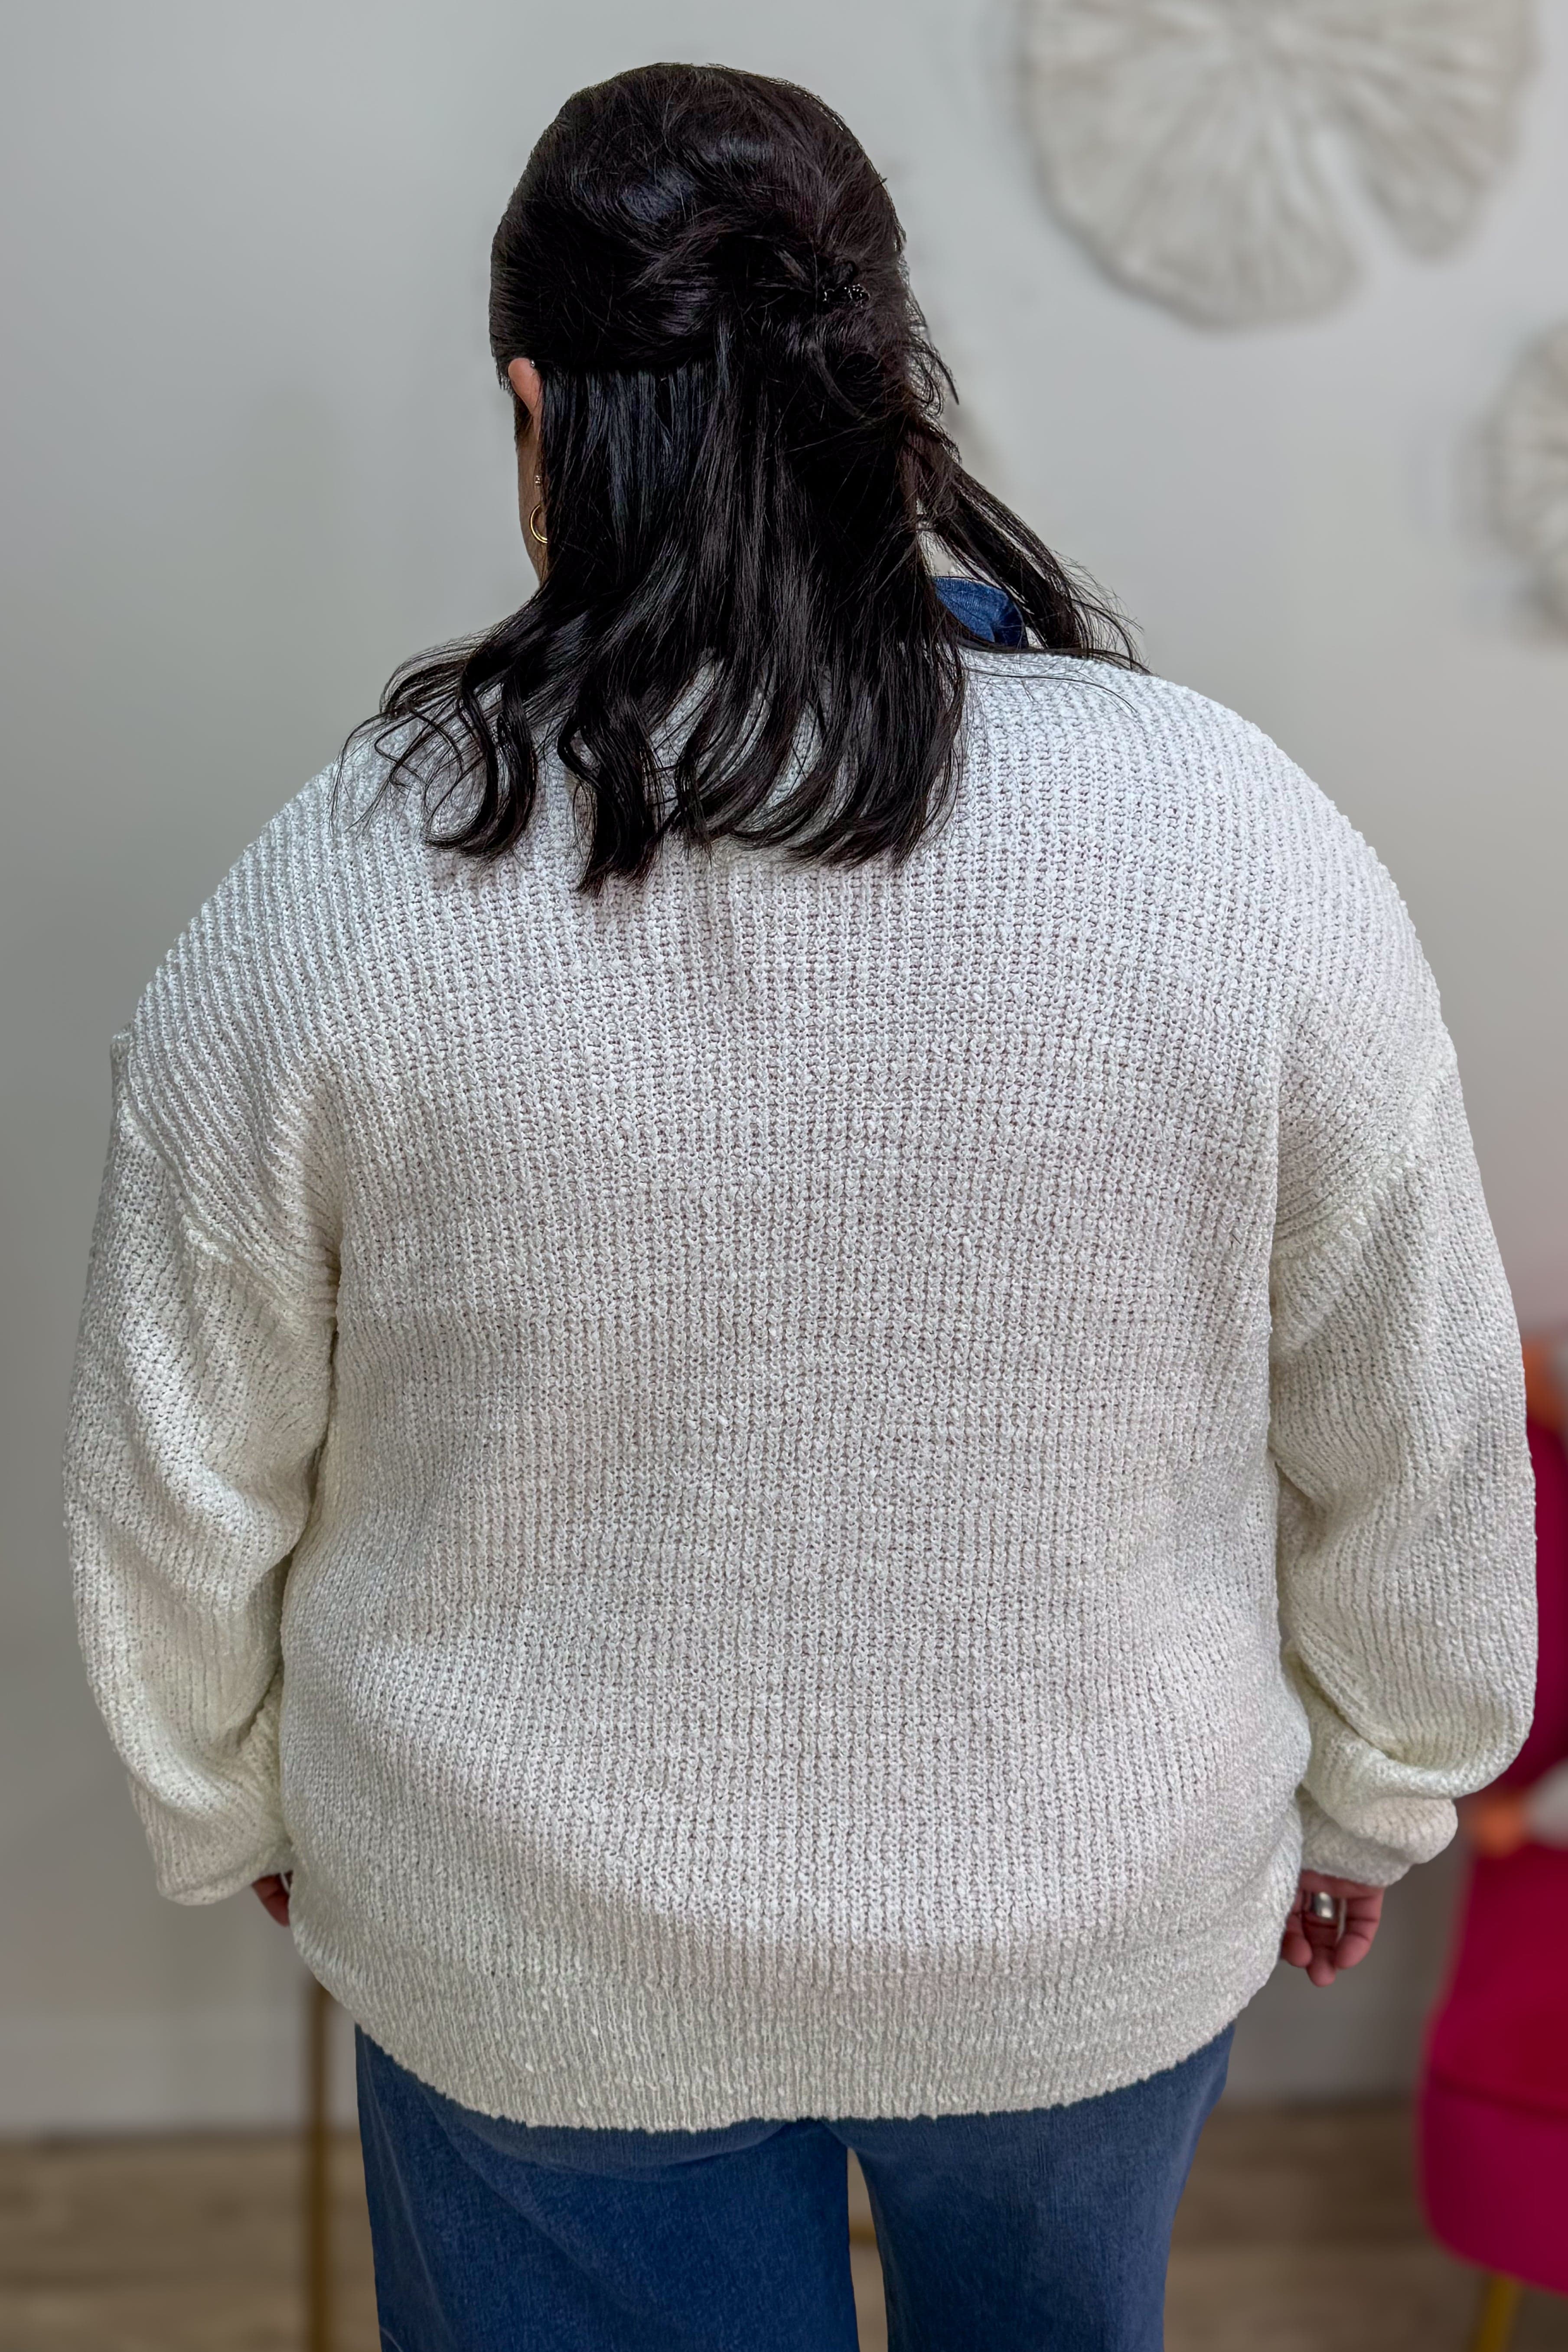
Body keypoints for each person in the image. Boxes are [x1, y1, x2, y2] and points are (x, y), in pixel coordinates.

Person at [63, 60, 1535, 2352]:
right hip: (1086, 1924)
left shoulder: (341, 892)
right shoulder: (1232, 843)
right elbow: (1409, 1417)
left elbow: (179, 1462)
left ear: (537, 408)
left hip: (532, 1957)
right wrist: (1376, 1789)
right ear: (888, 383)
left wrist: (223, 1790)